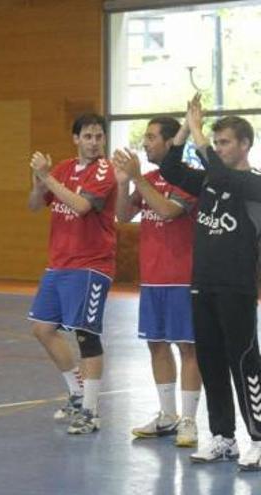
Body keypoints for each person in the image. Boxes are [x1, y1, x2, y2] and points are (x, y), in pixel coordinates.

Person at [159, 94, 261, 470]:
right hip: (203, 285)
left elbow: (221, 174)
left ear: (245, 144)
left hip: (237, 288)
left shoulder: (254, 185)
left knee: (245, 361)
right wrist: (186, 125)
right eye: (215, 142)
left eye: (225, 142)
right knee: (211, 361)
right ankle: (223, 437)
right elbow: (170, 167)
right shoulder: (208, 182)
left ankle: (259, 436)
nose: (218, 147)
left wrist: (199, 132)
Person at [112, 117, 202, 447]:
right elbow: (122, 216)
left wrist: (137, 178)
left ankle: (189, 421)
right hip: (152, 280)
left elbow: (166, 211)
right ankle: (167, 415)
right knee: (156, 344)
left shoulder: (189, 179)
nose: (146, 143)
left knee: (188, 347)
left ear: (169, 143)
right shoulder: (147, 178)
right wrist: (124, 183)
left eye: (151, 137)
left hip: (183, 279)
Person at [27, 114, 116, 435]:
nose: (94, 142)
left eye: (99, 136)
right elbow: (35, 205)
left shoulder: (104, 171)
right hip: (59, 264)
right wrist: (38, 182)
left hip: (91, 265)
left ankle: (91, 412)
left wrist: (48, 178)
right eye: (88, 136)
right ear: (75, 139)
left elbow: (81, 206)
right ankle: (77, 393)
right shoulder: (63, 168)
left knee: (86, 335)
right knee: (42, 328)